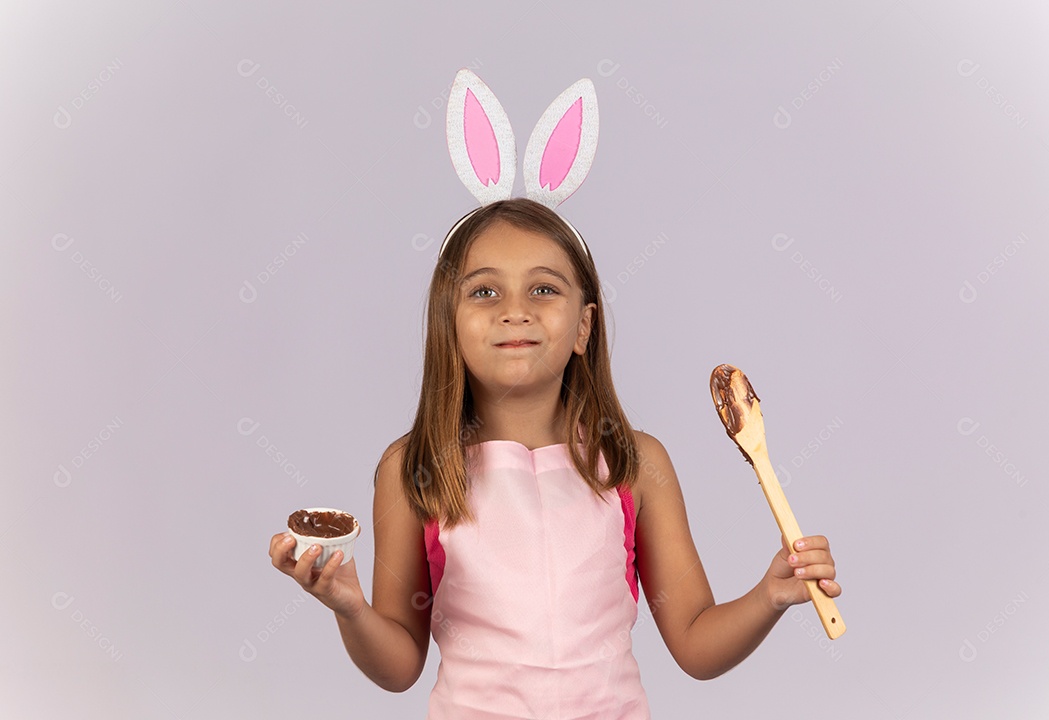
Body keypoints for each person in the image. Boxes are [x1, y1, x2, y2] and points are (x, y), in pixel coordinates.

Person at [268, 197, 842, 718]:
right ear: (450, 323)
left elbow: (696, 643)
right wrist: (348, 607)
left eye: (543, 289)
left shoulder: (637, 464)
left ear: (583, 326)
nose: (514, 311)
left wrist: (770, 596)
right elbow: (397, 667)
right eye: (484, 291)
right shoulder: (413, 468)